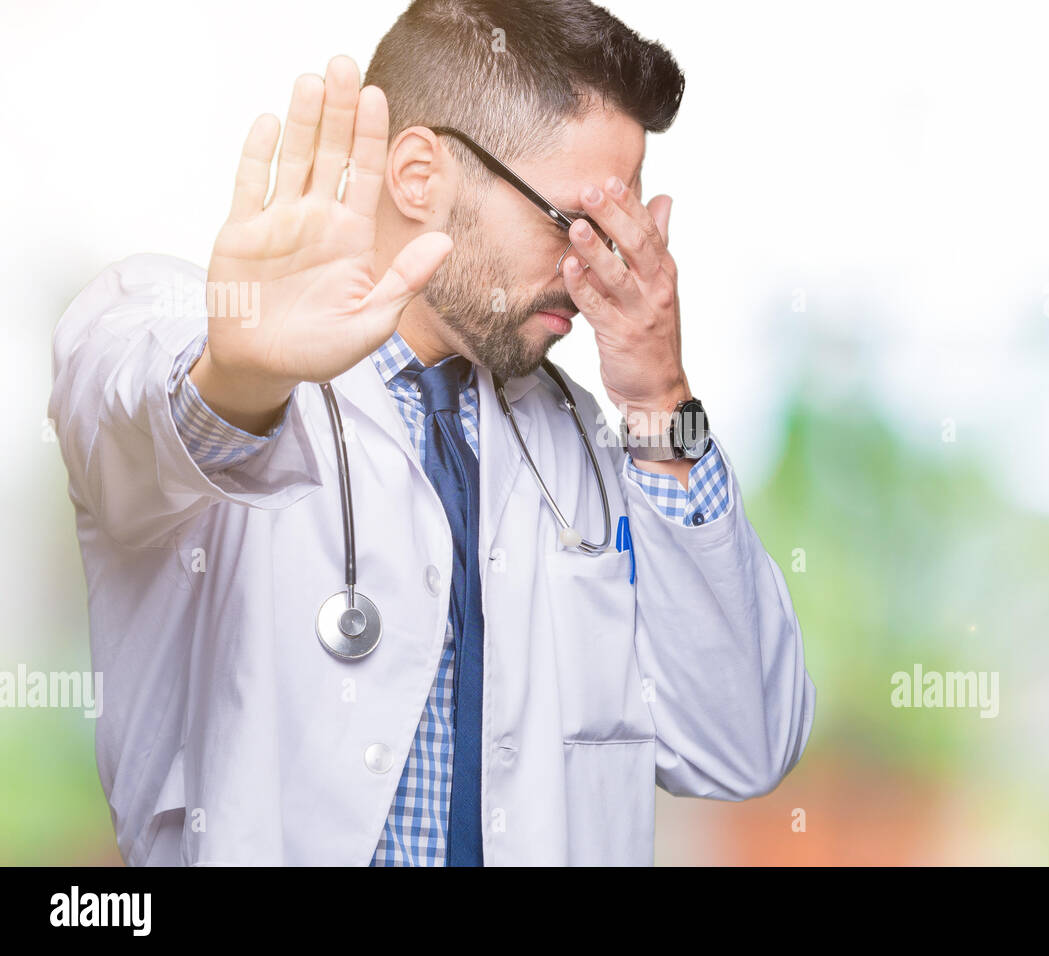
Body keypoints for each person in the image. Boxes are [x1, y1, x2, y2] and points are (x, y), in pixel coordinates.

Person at [47, 0, 815, 866]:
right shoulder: (181, 332)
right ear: (419, 177)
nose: (593, 270)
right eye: (573, 224)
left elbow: (742, 745)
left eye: (620, 234)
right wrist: (244, 378)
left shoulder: (593, 444)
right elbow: (138, 429)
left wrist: (659, 396)